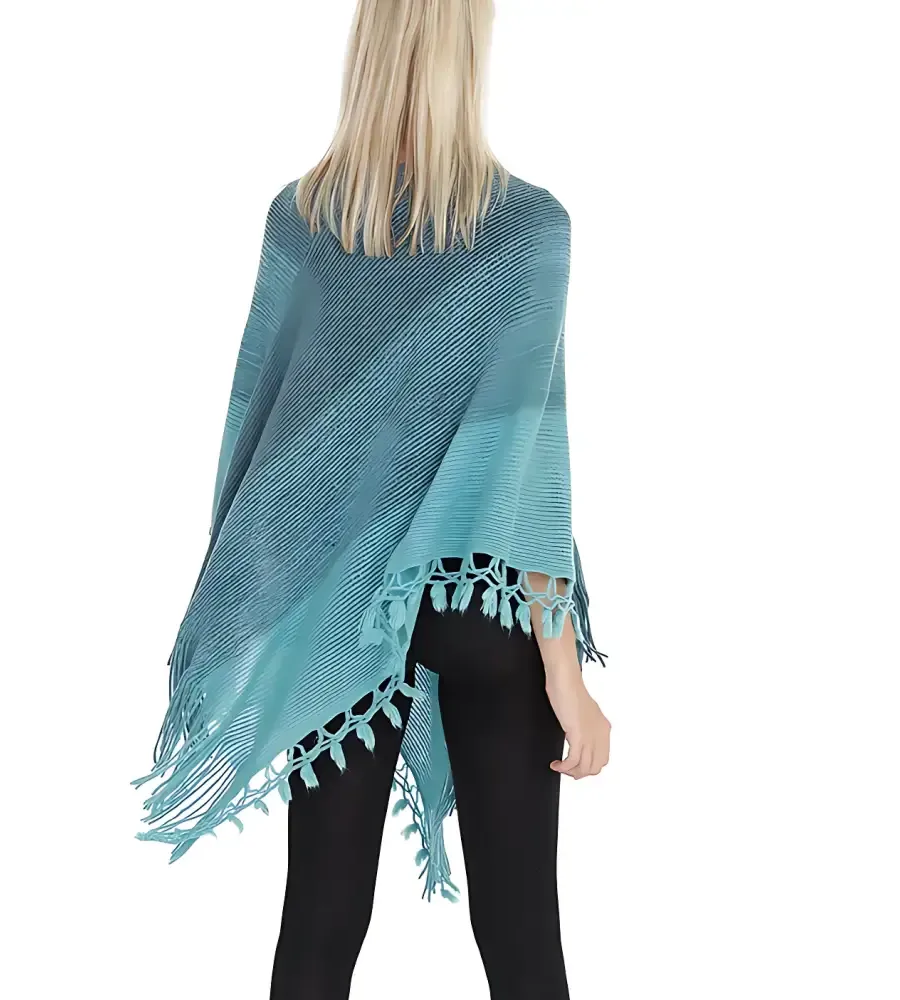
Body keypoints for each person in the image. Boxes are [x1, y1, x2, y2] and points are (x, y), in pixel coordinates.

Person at [136, 1, 611, 997]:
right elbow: (526, 473)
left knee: (320, 910)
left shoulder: (302, 220)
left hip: (338, 602)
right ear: (468, 51)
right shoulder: (529, 232)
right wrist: (564, 675)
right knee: (520, 926)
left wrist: (256, 601)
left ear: (368, 49)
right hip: (479, 607)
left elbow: (263, 432)